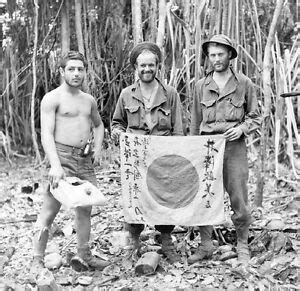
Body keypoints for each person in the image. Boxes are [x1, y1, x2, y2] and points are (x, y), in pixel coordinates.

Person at [31, 51, 110, 273]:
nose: (76, 73)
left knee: (85, 208)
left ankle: (84, 255)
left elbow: (99, 125)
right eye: (71, 69)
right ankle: (37, 260)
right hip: (61, 157)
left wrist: (97, 148)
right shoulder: (52, 98)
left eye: (80, 69)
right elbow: (46, 133)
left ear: (85, 71)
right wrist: (55, 165)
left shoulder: (88, 100)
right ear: (62, 71)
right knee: (50, 209)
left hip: (84, 159)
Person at [189, 35, 260, 265]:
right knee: (205, 194)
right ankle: (206, 244)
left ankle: (241, 244)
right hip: (207, 148)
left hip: (233, 147)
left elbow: (255, 116)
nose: (216, 59)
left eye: (221, 54)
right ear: (208, 58)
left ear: (230, 55)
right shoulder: (201, 85)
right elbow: (194, 122)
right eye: (212, 55)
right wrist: (193, 150)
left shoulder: (244, 83)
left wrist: (241, 129)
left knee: (238, 195)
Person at [111, 42, 183, 263]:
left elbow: (178, 129)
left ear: (157, 66)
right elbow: (116, 123)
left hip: (162, 156)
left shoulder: (170, 94)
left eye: (151, 65)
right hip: (136, 158)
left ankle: (167, 240)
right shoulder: (126, 95)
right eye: (142, 66)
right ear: (136, 67)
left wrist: (175, 157)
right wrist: (117, 134)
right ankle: (133, 240)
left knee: (164, 198)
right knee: (135, 197)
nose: (146, 69)